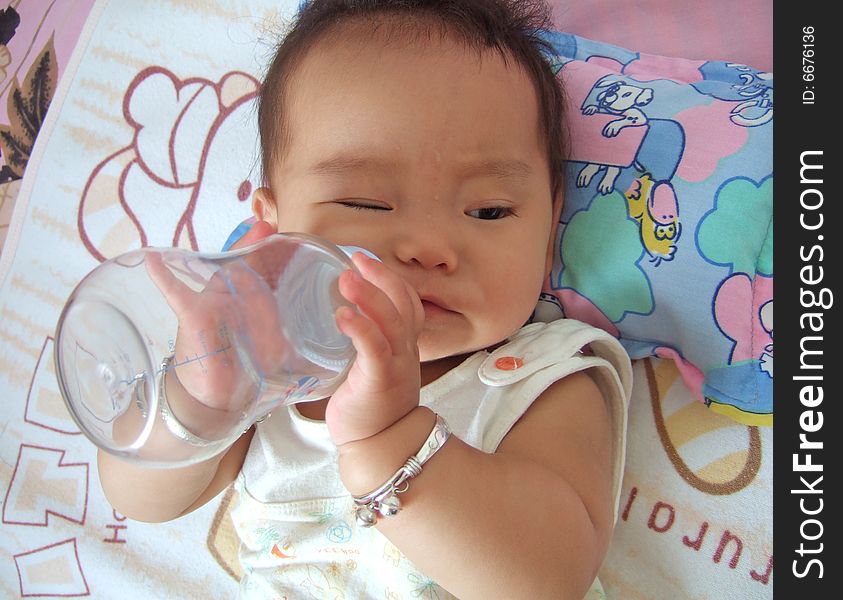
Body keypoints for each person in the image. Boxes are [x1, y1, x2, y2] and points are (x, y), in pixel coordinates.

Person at [97, 1, 632, 598]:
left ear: (551, 225)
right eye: (365, 204)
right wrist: (199, 396)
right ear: (274, 229)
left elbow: (547, 579)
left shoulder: (545, 376)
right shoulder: (271, 368)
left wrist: (390, 440)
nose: (431, 248)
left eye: (488, 210)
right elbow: (137, 497)